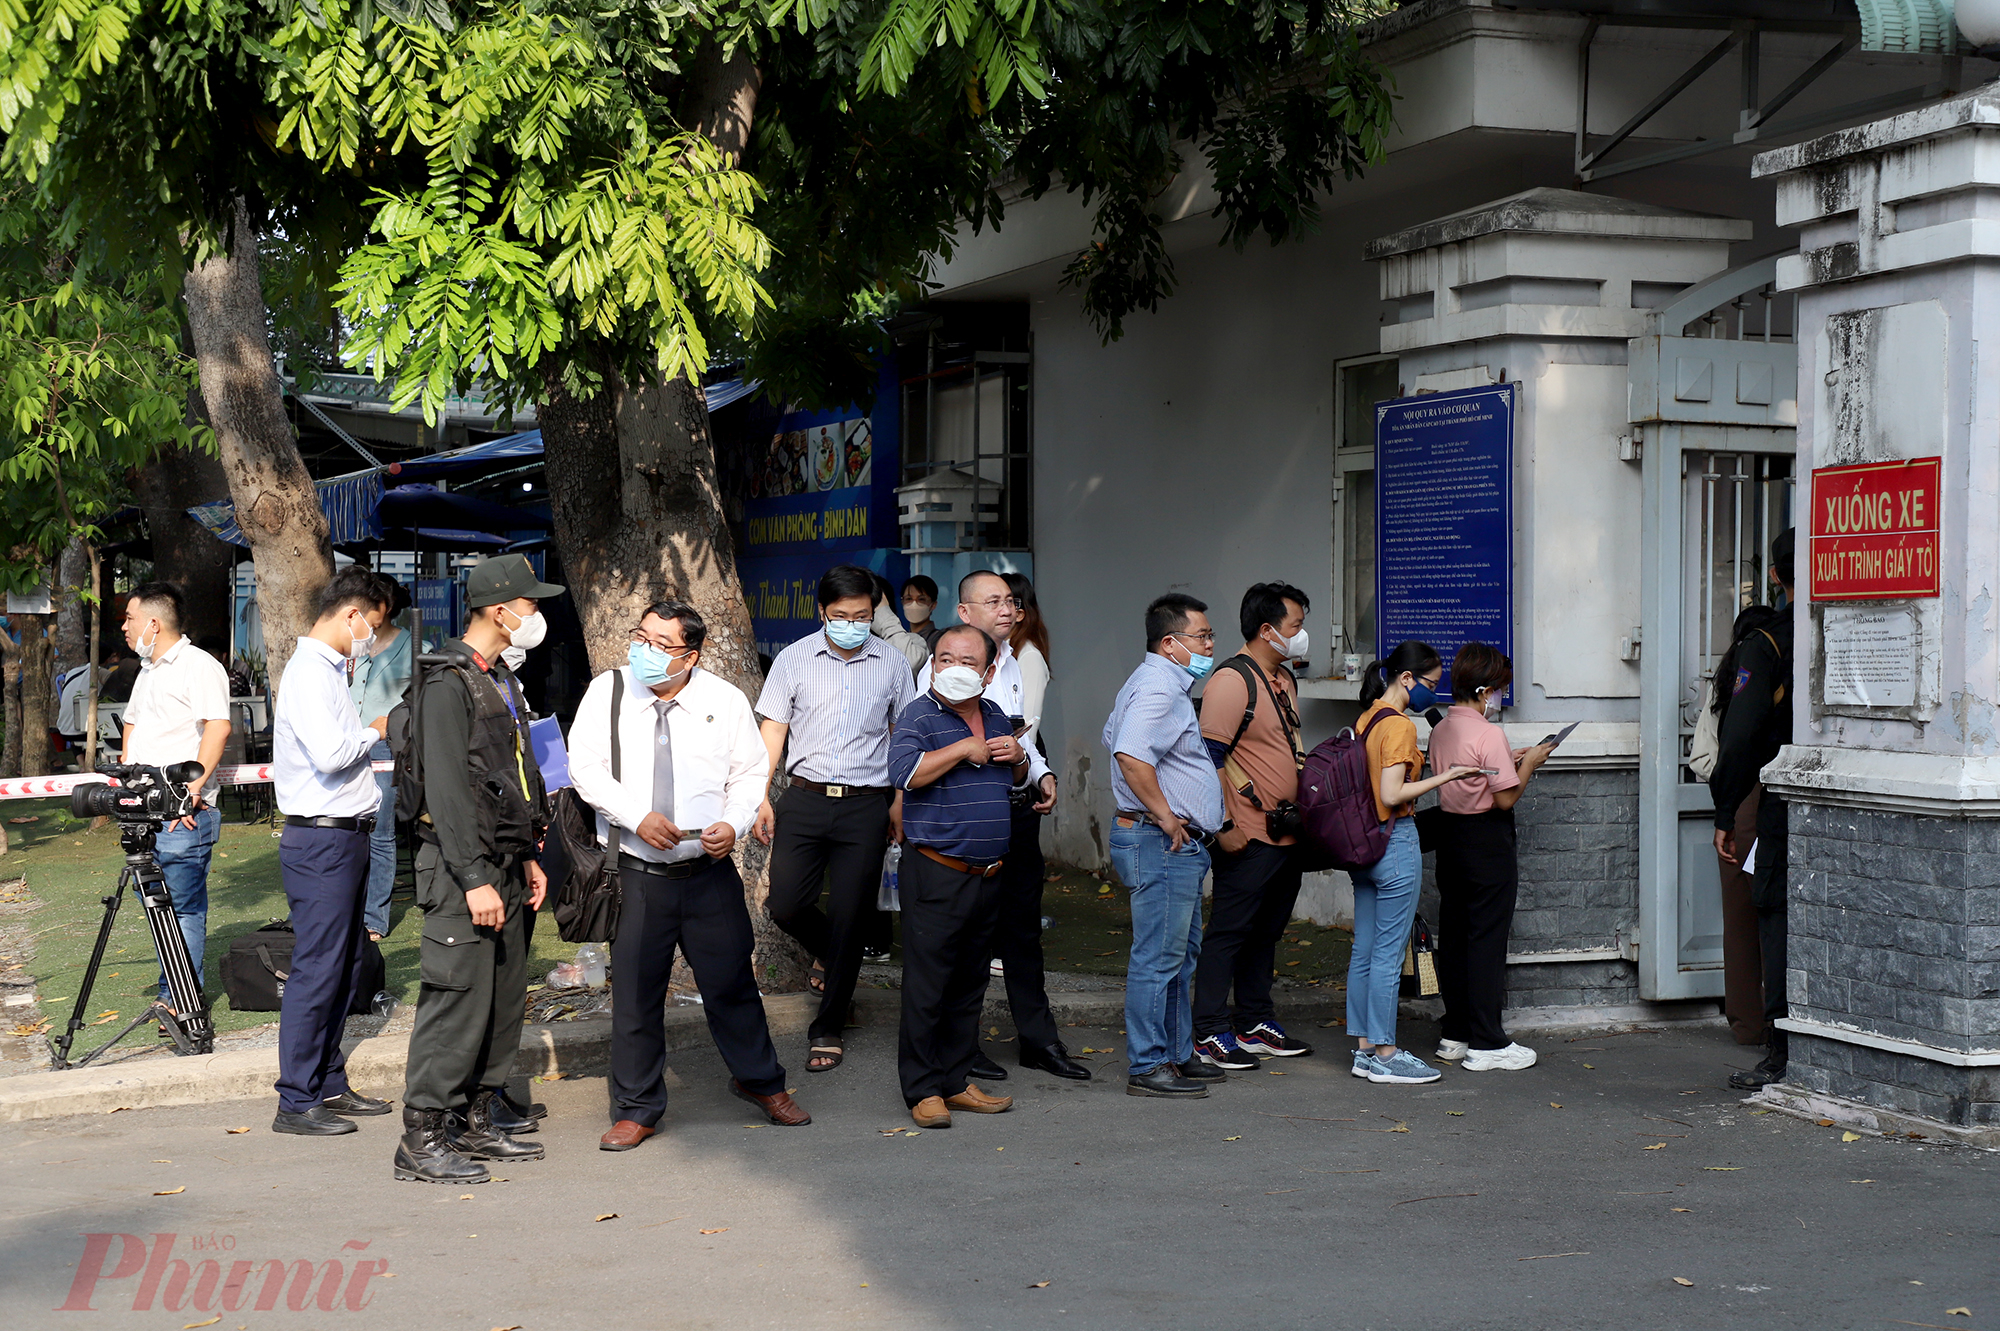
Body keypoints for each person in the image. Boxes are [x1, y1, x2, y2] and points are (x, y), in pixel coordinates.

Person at [571, 599, 809, 1150]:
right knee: (635, 994)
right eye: (641, 637)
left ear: (691, 656)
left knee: (731, 985)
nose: (645, 652)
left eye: (662, 645)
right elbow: (584, 768)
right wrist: (636, 817)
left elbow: (750, 772)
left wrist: (734, 823)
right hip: (635, 872)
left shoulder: (723, 700)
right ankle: (637, 1107)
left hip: (707, 871)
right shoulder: (607, 692)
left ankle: (761, 1083)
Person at [396, 554, 559, 1184]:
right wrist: (474, 879)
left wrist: (523, 859)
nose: (536, 615)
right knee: (458, 999)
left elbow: (506, 780)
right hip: (465, 867)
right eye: (531, 605)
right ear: (500, 610)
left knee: (502, 995)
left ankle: (477, 1117)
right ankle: (423, 1134)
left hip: (504, 863)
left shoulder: (496, 678)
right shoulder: (446, 681)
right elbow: (448, 793)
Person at [753, 565, 915, 1074]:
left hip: (867, 804)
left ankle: (827, 1027)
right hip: (802, 799)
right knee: (786, 904)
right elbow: (773, 734)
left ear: (875, 612)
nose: (852, 623)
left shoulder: (891, 662)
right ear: (822, 612)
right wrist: (759, 797)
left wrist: (899, 800)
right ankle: (836, 958)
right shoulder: (793, 659)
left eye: (862, 616)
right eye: (841, 616)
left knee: (851, 914)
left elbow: (903, 737)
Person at [915, 571, 1073, 1080]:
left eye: (1010, 602)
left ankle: (1038, 1040)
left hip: (1014, 808)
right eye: (992, 602)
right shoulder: (943, 671)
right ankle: (961, 1045)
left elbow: (1019, 736)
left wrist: (1040, 772)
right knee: (968, 938)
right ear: (964, 613)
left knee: (1022, 930)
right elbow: (922, 747)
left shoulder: (1014, 664)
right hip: (961, 819)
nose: (1007, 610)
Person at [268, 568, 398, 1136]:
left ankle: (327, 1081)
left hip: (343, 836)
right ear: (352, 615)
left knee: (346, 967)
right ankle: (296, 1099)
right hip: (321, 840)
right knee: (318, 970)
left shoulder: (327, 671)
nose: (374, 635)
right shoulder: (309, 673)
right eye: (374, 623)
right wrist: (377, 729)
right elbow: (330, 754)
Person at [887, 625, 1023, 1128]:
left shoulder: (994, 714)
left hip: (987, 874)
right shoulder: (920, 715)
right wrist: (963, 750)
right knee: (928, 984)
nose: (954, 669)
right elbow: (902, 773)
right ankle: (922, 1089)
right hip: (938, 871)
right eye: (944, 659)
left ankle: (956, 1078)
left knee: (969, 984)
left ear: (988, 673)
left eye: (967, 661)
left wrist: (1020, 759)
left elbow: (1012, 776)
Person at [1103, 593, 1228, 1099]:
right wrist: (1165, 816)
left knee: (1179, 953)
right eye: (1202, 637)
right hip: (1160, 840)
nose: (1210, 644)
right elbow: (1131, 754)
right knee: (1158, 955)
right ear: (1171, 643)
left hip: (1172, 841)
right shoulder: (1158, 686)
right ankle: (1148, 1065)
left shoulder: (1159, 682)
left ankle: (1177, 1054)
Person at [1191, 582, 1316, 1072]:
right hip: (1247, 831)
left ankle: (1255, 1020)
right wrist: (1223, 826)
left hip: (1286, 831)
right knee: (1229, 932)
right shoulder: (1232, 681)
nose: (1300, 636)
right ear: (1268, 630)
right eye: (1295, 627)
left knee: (1267, 932)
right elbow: (1208, 759)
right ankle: (1208, 1030)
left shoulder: (1283, 678)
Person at [1344, 641, 1481, 1086]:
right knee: (1387, 954)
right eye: (1430, 684)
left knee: (1364, 951)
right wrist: (1448, 776)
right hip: (1394, 841)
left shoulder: (1367, 717)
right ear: (1406, 679)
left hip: (1362, 845)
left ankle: (1364, 1049)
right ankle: (1386, 1053)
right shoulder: (1399, 725)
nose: (1434, 694)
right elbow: (1390, 794)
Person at [1425, 642, 1552, 1072]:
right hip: (1487, 843)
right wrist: (1530, 761)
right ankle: (1487, 1041)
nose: (1498, 698)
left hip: (1451, 838)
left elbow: (1471, 777)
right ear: (1485, 690)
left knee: (1458, 936)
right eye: (1498, 689)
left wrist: (1511, 761)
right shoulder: (1488, 732)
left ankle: (1456, 1031)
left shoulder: (1441, 729)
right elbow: (1505, 798)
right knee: (1486, 940)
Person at [118, 582, 232, 1010]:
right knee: (154, 905)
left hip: (182, 814)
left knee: (181, 908)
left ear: (153, 622)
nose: (124, 628)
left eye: (129, 618)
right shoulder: (148, 670)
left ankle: (180, 1002)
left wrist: (191, 791)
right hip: (145, 811)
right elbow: (131, 724)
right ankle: (175, 994)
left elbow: (218, 727)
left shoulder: (198, 666)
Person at [1713, 528, 1796, 1091]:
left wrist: (1723, 811)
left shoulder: (1766, 643)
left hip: (1782, 800)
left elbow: (1740, 740)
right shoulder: (1840, 630)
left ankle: (1782, 1052)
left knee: (1776, 915)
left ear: (1774, 575)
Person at [1704, 602, 1784, 1048]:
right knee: (1774, 914)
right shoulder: (1780, 671)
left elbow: (1724, 750)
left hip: (1741, 798)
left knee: (1739, 918)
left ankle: (1747, 1022)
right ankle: (1778, 1023)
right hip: (1772, 795)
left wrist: (1724, 811)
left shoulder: (1731, 685)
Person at [349, 577, 414, 942]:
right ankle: (349, 910)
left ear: (383, 607)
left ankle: (375, 918)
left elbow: (419, 701)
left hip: (387, 748)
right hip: (347, 743)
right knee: (347, 830)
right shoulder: (353, 643)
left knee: (381, 833)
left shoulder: (412, 645)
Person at [901, 575, 940, 646]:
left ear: (933, 604)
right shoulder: (901, 639)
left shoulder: (940, 640)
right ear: (902, 602)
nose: (914, 604)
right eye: (909, 599)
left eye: (921, 599)